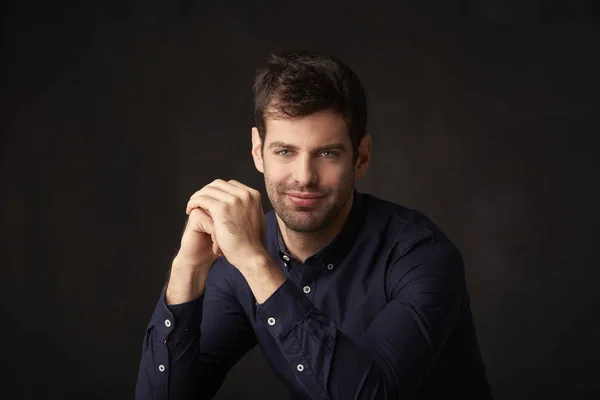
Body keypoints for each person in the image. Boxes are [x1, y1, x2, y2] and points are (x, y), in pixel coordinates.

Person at [135, 51, 493, 400]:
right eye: (285, 151)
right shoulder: (239, 264)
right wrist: (188, 268)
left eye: (327, 153)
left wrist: (258, 265)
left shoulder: (423, 257)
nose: (304, 177)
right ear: (258, 152)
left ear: (361, 157)